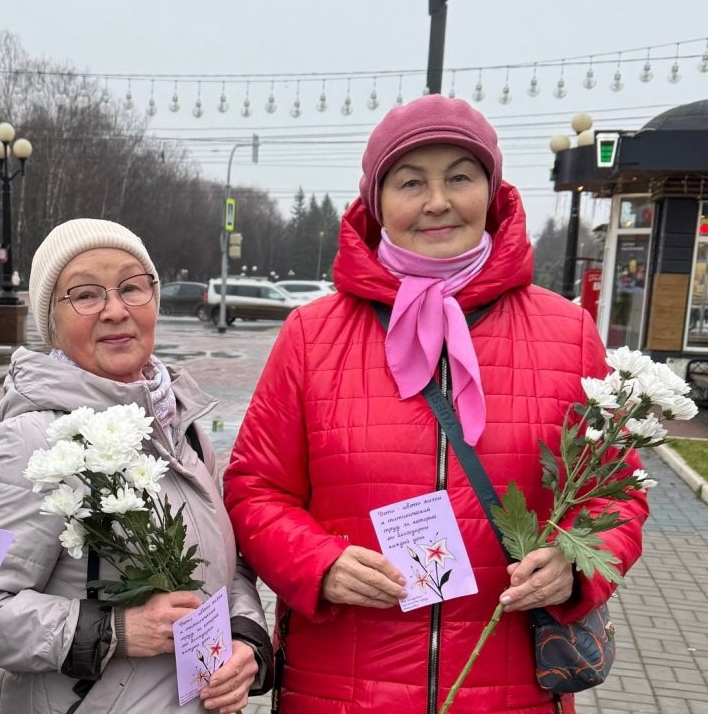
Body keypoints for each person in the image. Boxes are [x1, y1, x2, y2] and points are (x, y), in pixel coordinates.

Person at [223, 96, 647, 713]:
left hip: (510, 692)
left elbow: (619, 490)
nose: (437, 202)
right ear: (377, 202)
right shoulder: (312, 335)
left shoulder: (569, 332)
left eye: (459, 177)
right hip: (340, 688)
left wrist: (576, 566)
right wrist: (319, 564)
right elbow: (254, 488)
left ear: (492, 192)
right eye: (410, 182)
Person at [0, 218, 274, 713]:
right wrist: (112, 630)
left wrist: (245, 638)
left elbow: (224, 570)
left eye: (131, 287)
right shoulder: (28, 441)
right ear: (50, 321)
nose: (116, 310)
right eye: (85, 294)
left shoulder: (180, 426)